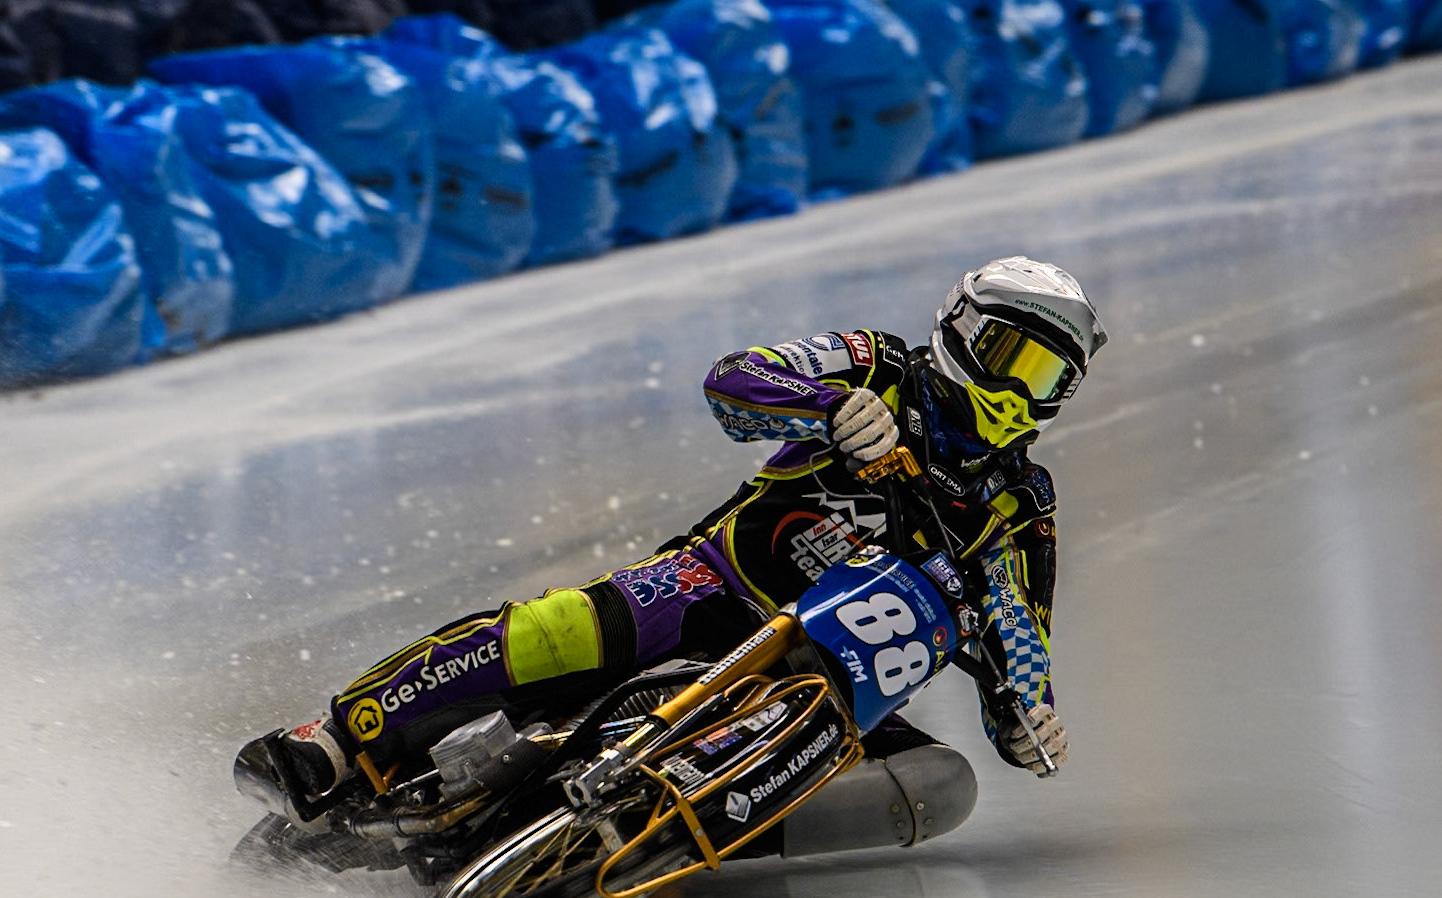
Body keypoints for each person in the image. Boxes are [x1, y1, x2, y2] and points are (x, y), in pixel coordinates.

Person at [236, 256, 1104, 854]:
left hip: (834, 680)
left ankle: (669, 843)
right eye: (1008, 357)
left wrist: (1026, 722)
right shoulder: (875, 363)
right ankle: (336, 740)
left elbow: (1021, 639)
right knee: (562, 628)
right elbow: (734, 379)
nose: (1016, 391)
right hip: (713, 586)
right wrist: (825, 407)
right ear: (959, 329)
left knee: (940, 788)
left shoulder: (1022, 503)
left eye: (1045, 379)